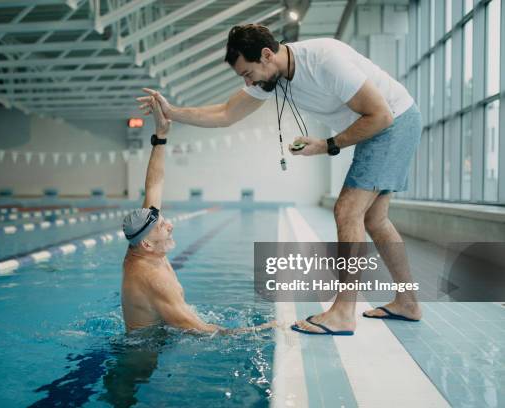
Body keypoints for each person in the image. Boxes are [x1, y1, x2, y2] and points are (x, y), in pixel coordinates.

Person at [137, 24, 423, 336]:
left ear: (266, 54)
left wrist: (326, 145)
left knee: (347, 211)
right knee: (376, 220)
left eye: (248, 73)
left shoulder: (325, 60)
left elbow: (381, 116)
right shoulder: (272, 76)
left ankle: (343, 312)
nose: (248, 82)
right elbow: (225, 114)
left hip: (393, 121)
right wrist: (172, 112)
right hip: (385, 124)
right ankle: (408, 302)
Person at [122, 95, 275, 334]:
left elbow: (154, 183)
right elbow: (205, 331)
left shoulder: (142, 245)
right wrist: (264, 330)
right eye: (162, 226)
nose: (170, 225)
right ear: (147, 245)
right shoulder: (152, 278)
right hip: (144, 356)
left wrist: (161, 136)